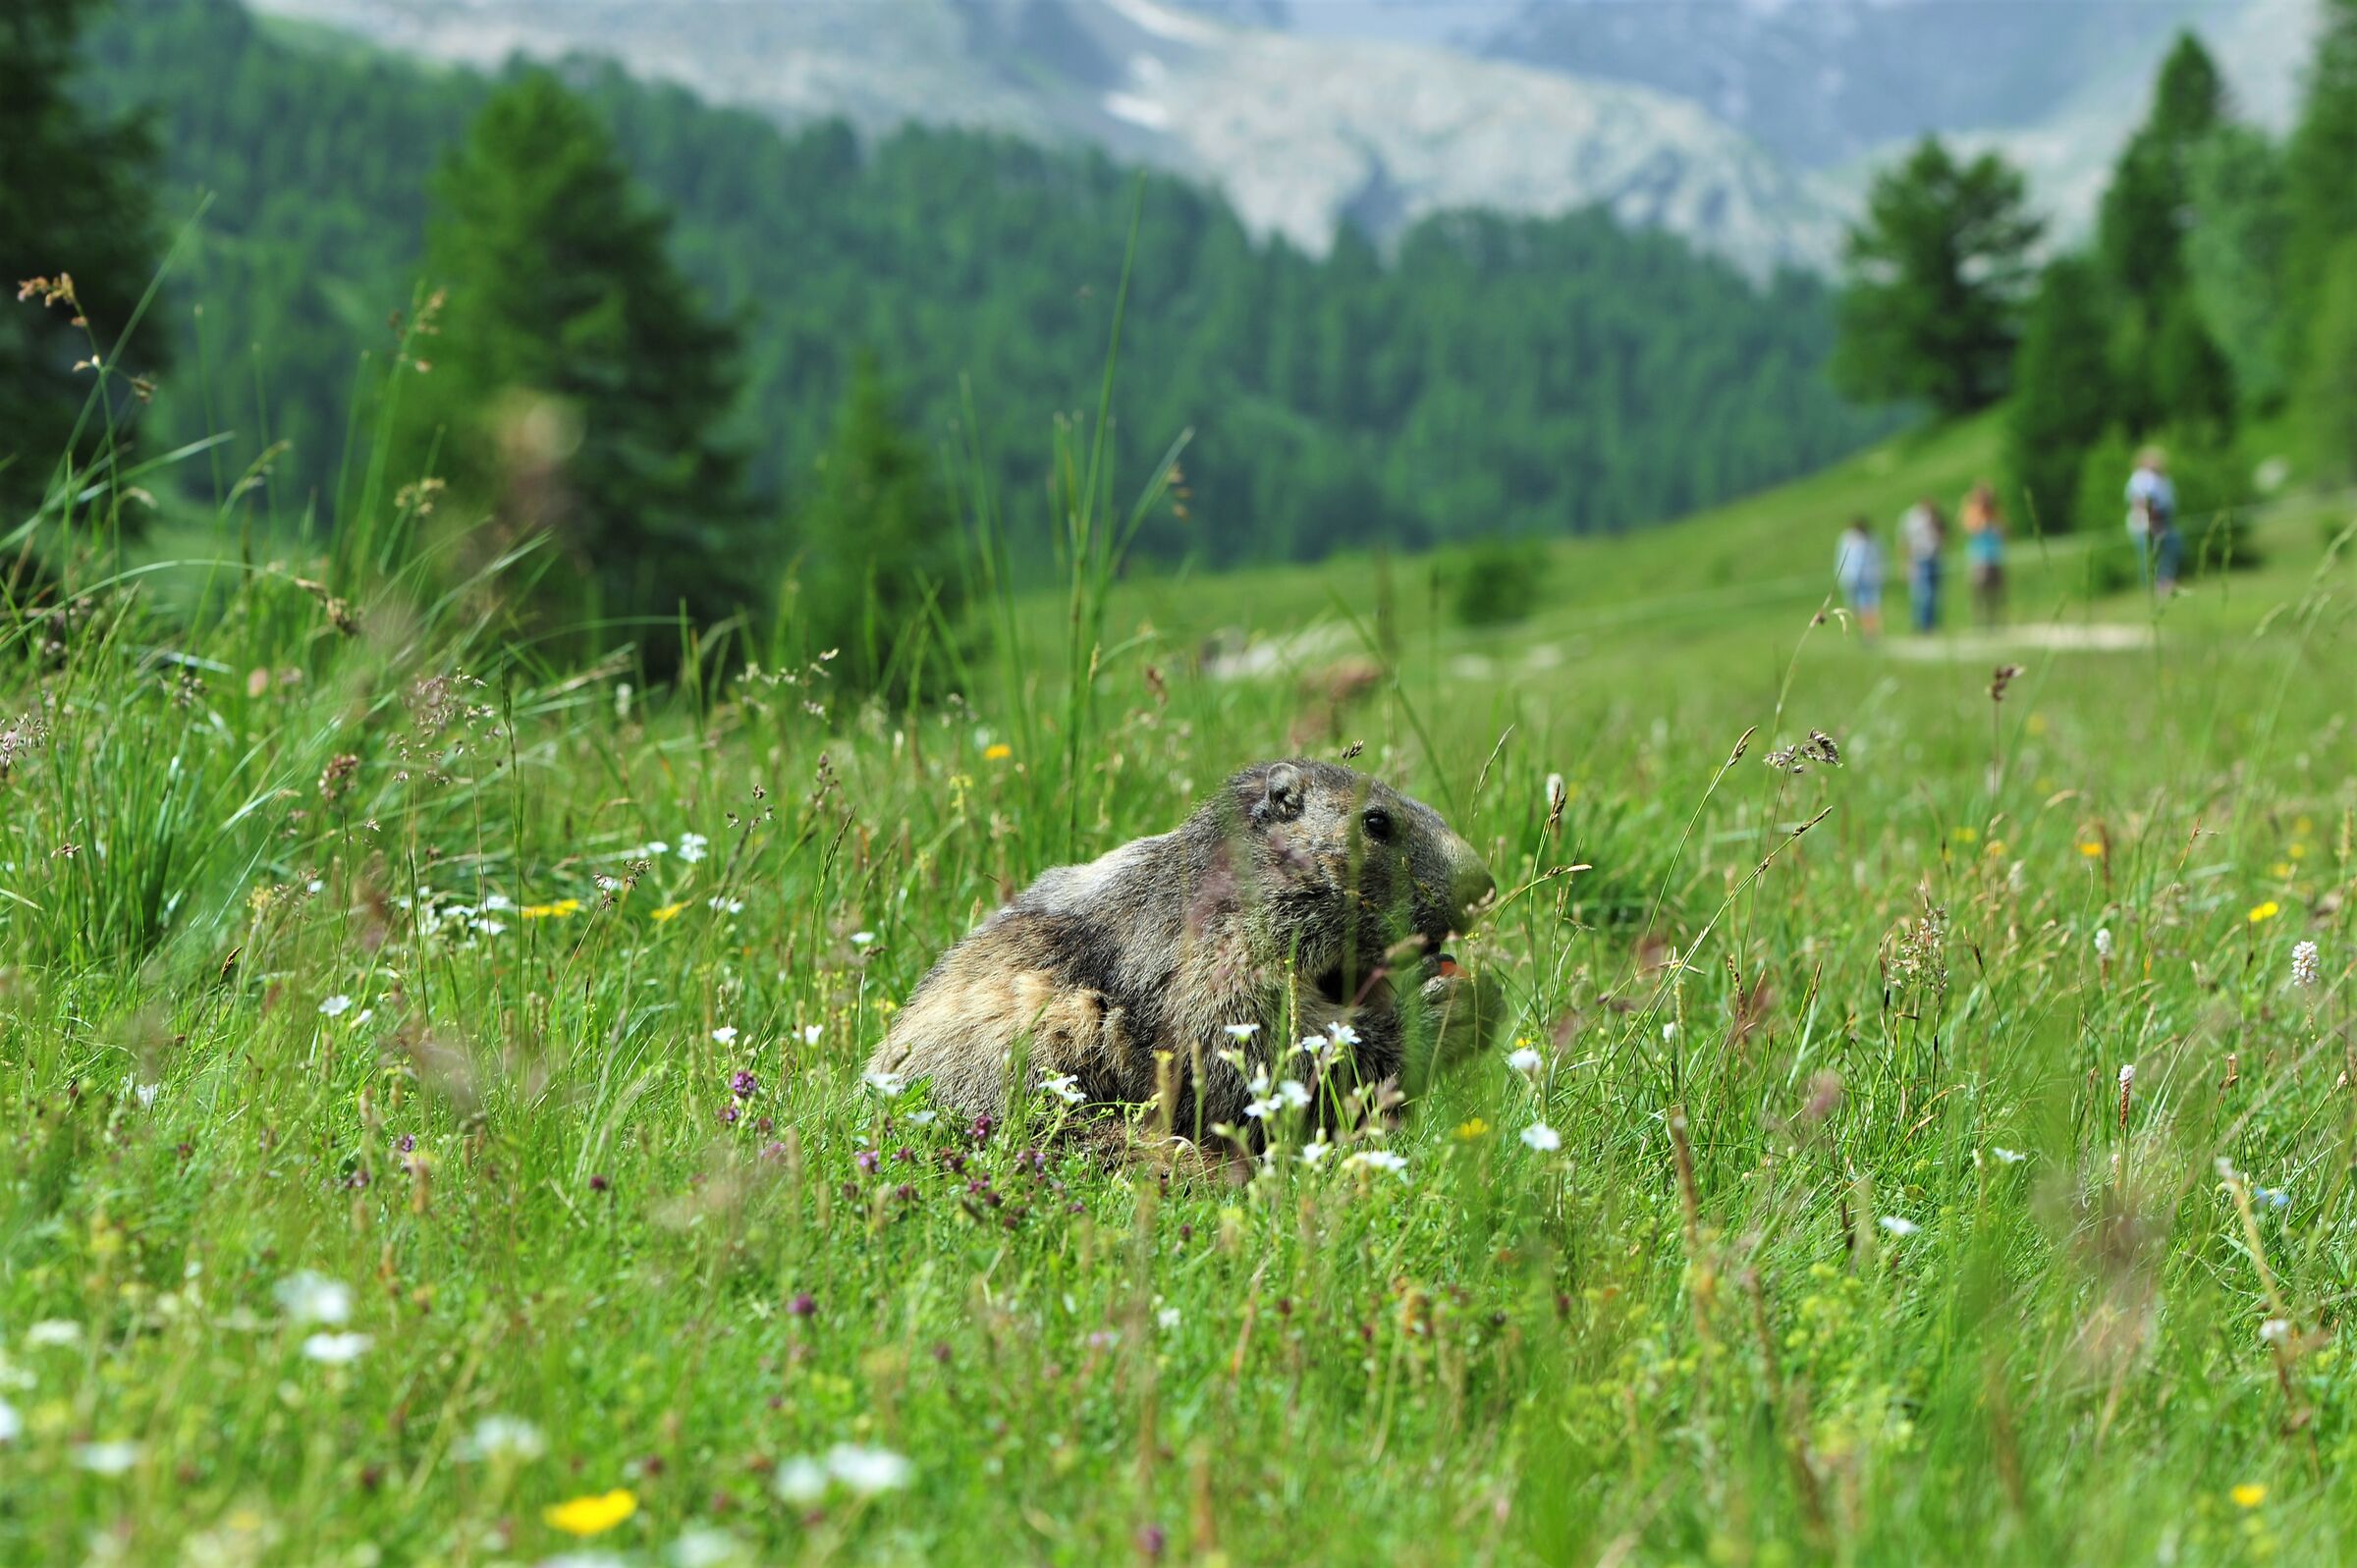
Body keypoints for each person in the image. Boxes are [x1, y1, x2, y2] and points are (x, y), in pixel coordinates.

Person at [2125, 447, 2180, 597]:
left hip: (2164, 520)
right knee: (2150, 555)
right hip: (2148, 522)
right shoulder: (2141, 478)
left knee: (2168, 552)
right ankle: (2152, 586)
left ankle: (2166, 582)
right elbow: (2140, 501)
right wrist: (2153, 520)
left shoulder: (2162, 478)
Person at [1959, 481, 2005, 627]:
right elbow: (1969, 528)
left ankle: (1994, 620)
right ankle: (1979, 621)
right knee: (1978, 591)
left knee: (1996, 591)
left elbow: (2005, 530)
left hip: (1995, 556)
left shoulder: (1995, 512)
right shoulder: (1973, 511)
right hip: (1978, 557)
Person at [1898, 497, 1946, 633]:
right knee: (1922, 594)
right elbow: (1905, 541)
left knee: (1934, 594)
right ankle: (1920, 624)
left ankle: (1932, 623)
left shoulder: (1935, 518)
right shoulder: (1912, 519)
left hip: (1934, 558)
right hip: (1918, 559)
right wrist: (1906, 562)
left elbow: (1943, 534)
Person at [1834, 514, 1884, 638]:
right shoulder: (1846, 539)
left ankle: (1871, 633)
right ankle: (1862, 631)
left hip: (1868, 578)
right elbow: (1842, 559)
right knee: (1855, 607)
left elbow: (1878, 557)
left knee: (1870, 606)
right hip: (1851, 578)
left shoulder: (1872, 540)